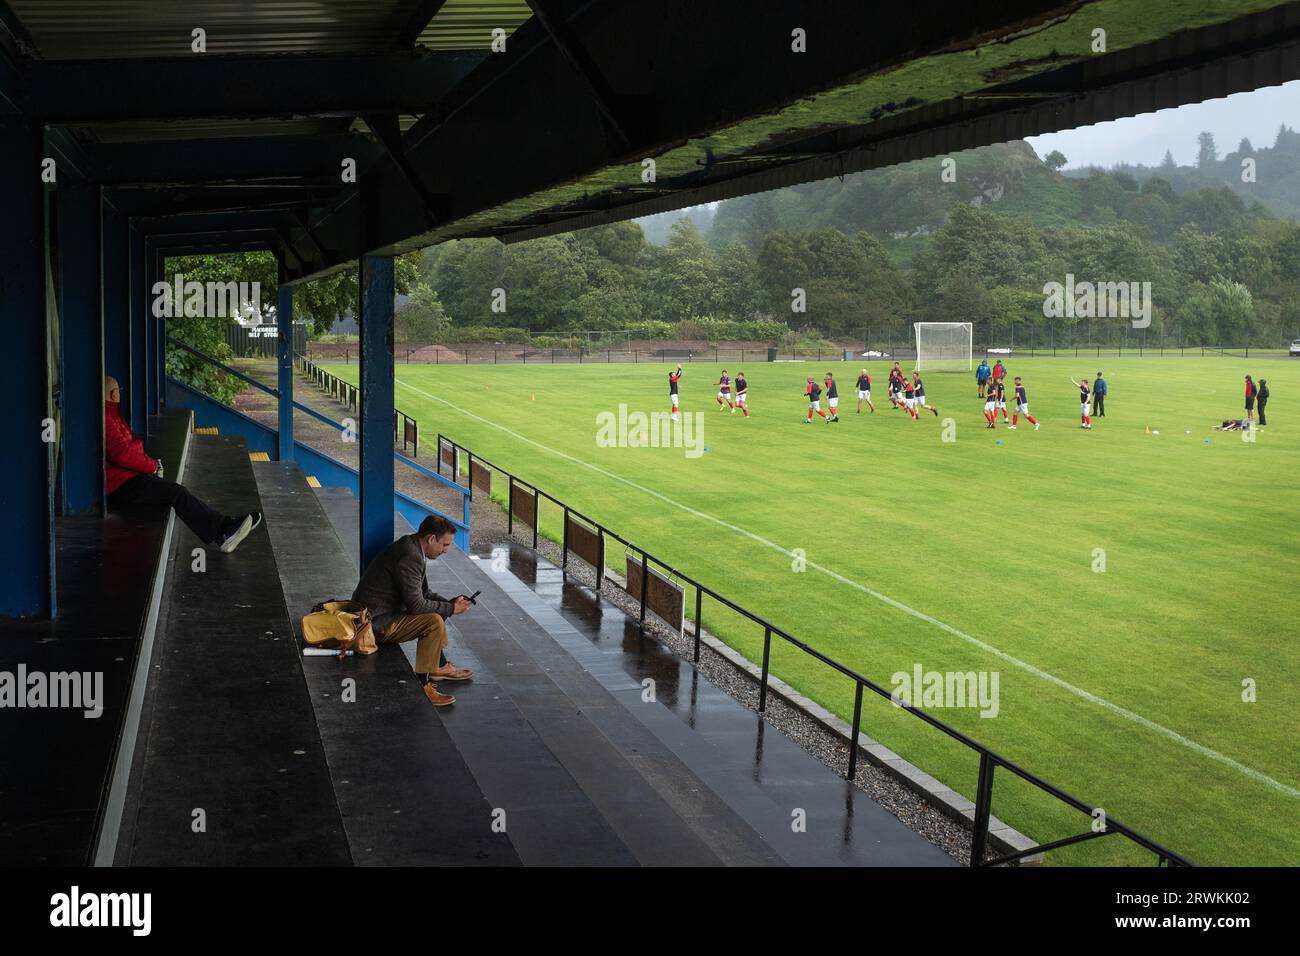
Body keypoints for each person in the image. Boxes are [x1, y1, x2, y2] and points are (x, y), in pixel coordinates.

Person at [104, 376, 261, 553]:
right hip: (121, 485)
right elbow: (122, 454)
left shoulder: (113, 416)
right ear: (113, 394)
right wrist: (151, 465)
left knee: (173, 490)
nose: (120, 394)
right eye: (118, 391)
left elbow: (132, 446)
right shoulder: (106, 419)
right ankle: (222, 531)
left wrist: (140, 458)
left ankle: (224, 525)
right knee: (175, 492)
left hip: (129, 477)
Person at [351, 514, 475, 707]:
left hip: (380, 615)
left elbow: (424, 593)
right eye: (445, 545)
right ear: (431, 538)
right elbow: (417, 606)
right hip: (373, 625)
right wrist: (450, 608)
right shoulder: (410, 556)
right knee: (432, 620)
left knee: (437, 611)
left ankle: (439, 666)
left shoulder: (412, 547)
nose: (446, 551)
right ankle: (423, 685)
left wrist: (448, 603)